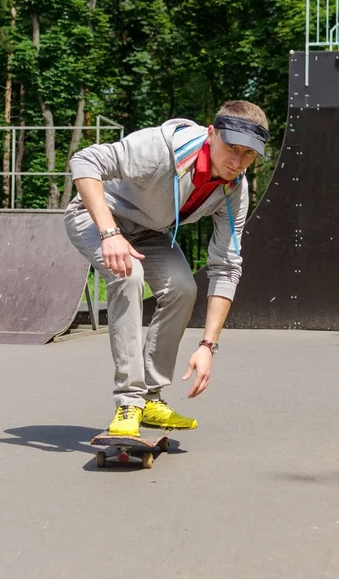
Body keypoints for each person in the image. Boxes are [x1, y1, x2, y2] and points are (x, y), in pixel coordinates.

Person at [64, 100, 268, 436]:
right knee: (128, 274)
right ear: (212, 134)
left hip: (149, 231)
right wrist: (109, 232)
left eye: (248, 155)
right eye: (231, 148)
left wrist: (207, 346)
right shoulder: (159, 149)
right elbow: (84, 160)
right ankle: (130, 400)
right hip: (95, 217)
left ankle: (151, 398)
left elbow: (227, 265)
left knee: (183, 289)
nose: (236, 162)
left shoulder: (235, 188)